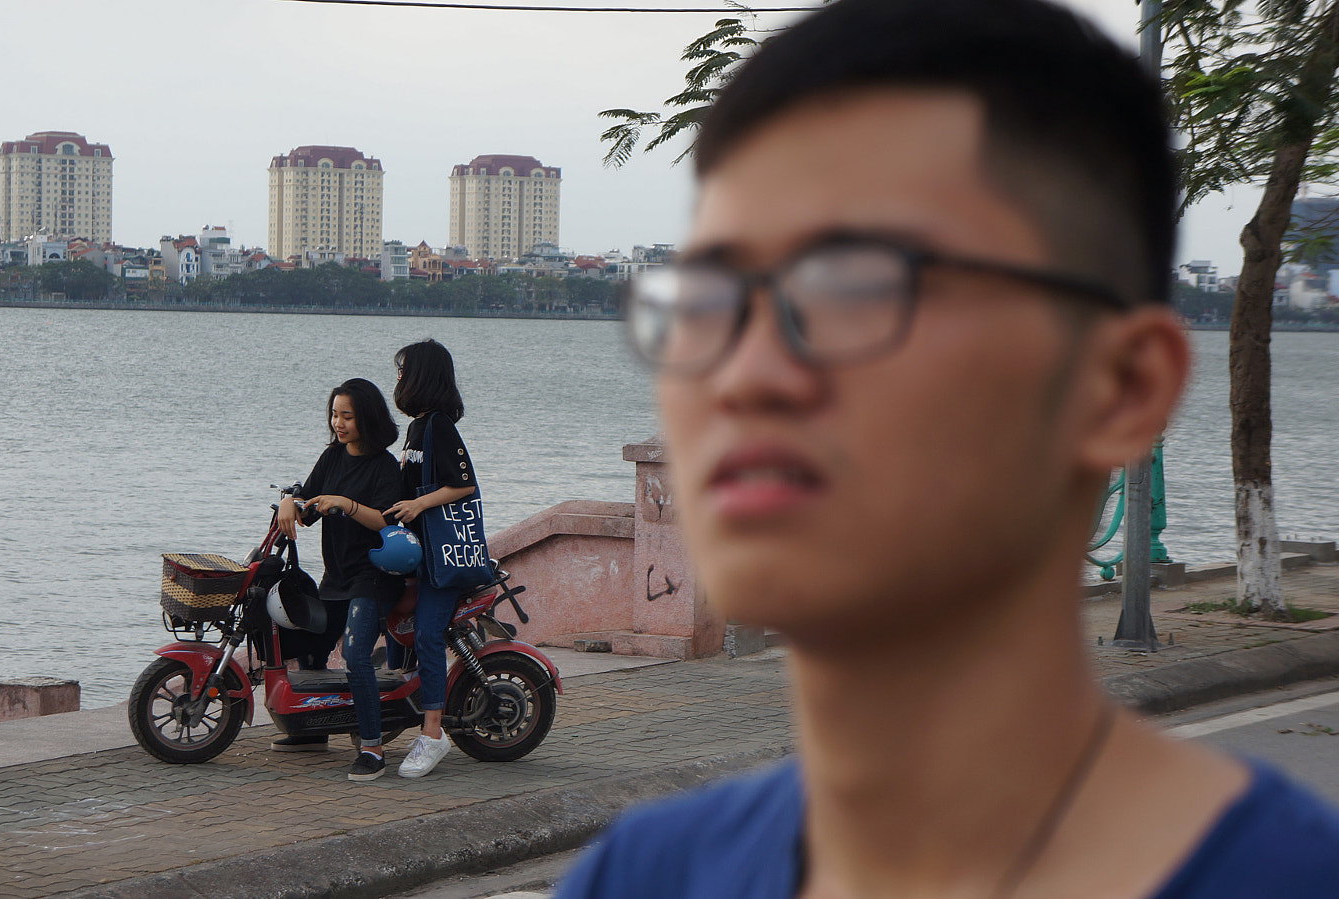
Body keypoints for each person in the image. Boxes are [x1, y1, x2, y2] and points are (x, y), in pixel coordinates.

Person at [555, 0, 1339, 896]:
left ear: (1119, 387)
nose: (746, 374)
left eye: (850, 286)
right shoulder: (640, 876)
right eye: (709, 299)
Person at [275, 378, 404, 782]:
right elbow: (307, 502)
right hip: (337, 576)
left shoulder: (385, 466)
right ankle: (312, 730)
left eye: (347, 416)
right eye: (334, 415)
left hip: (373, 577)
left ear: (366, 417)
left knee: (355, 656)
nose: (338, 423)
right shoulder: (332, 457)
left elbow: (385, 519)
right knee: (308, 646)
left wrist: (346, 505)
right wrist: (289, 502)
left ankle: (372, 748)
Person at [385, 339, 479, 779]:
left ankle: (433, 734)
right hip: (416, 554)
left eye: (403, 371)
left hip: (442, 557)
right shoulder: (416, 428)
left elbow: (464, 484)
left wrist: (420, 507)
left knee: (425, 637)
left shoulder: (439, 426)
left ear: (421, 376)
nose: (398, 379)